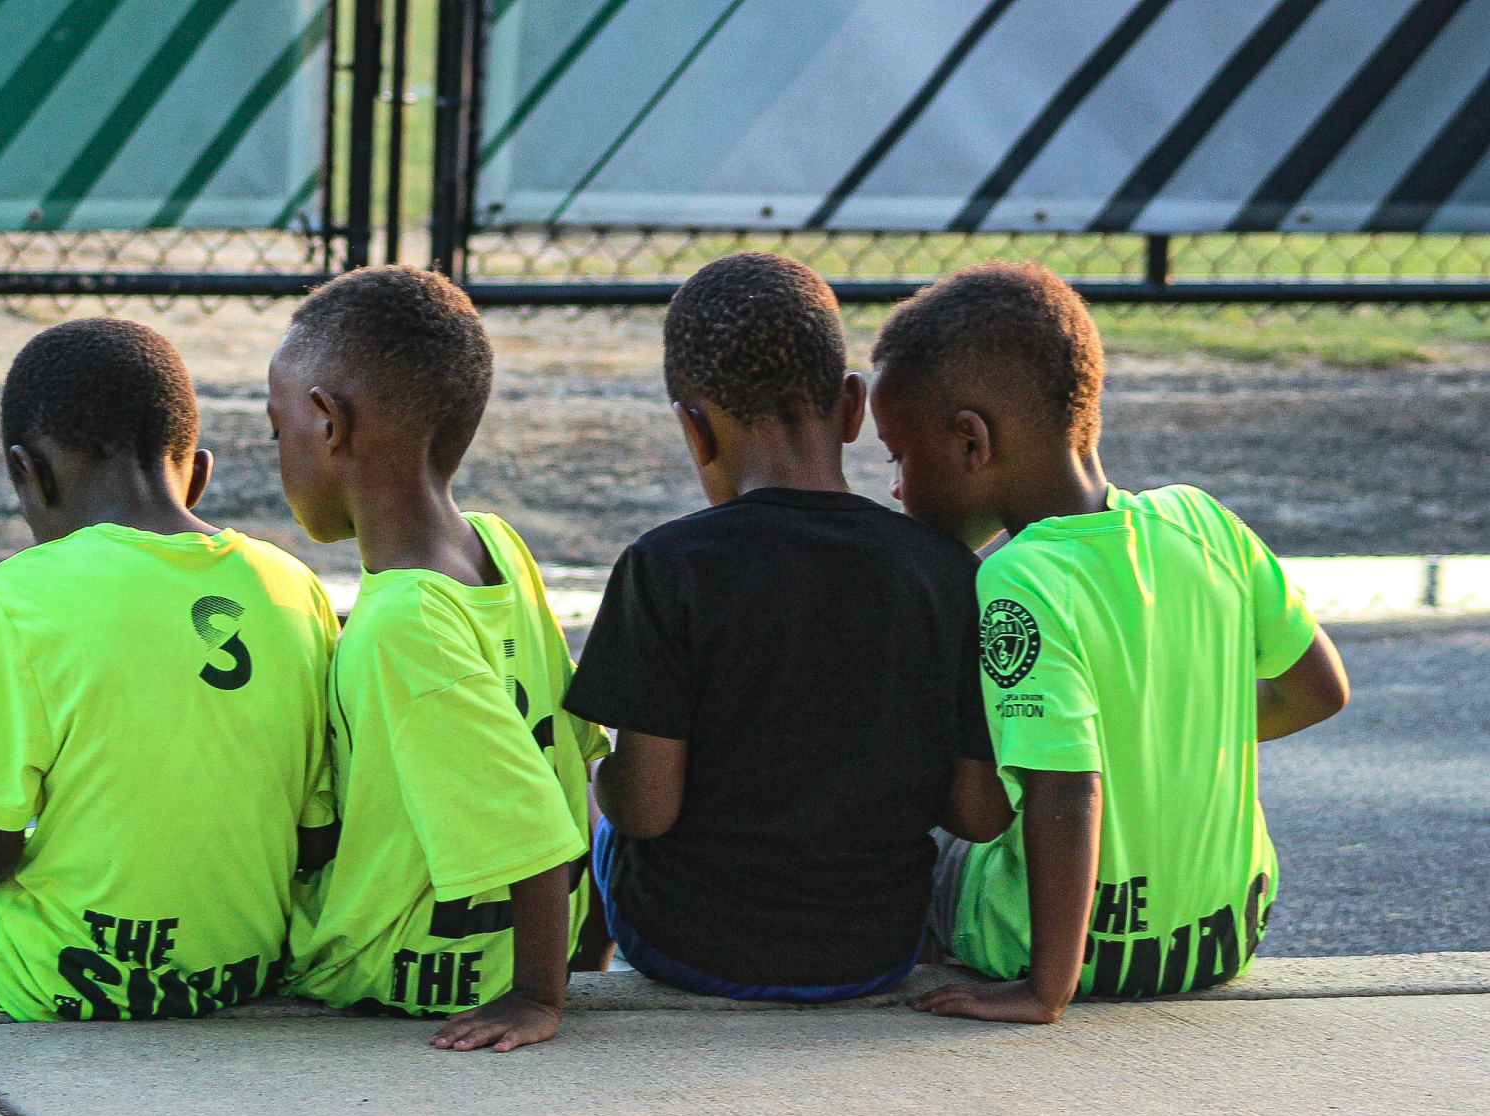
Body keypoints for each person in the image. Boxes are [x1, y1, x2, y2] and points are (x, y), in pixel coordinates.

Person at [0, 317, 338, 1022]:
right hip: (237, 965)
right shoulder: (292, 584)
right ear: (197, 475)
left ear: (29, 472)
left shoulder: (19, 594)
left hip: (70, 974)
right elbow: (315, 836)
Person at [867, 261, 1350, 1025]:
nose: (896, 486)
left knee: (932, 814)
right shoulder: (1205, 523)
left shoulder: (1017, 578)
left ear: (969, 441)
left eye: (898, 455)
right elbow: (1318, 692)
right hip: (1222, 936)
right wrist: (1161, 742)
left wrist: (1045, 990)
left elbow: (1066, 789)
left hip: (1073, 956)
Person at [562, 252, 1011, 1002]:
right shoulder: (946, 573)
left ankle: (583, 979)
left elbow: (647, 807)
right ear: (853, 407)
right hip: (877, 952)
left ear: (694, 430)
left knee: (587, 798)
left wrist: (599, 777)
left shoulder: (665, 567)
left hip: (688, 946)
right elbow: (976, 812)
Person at [271, 266, 605, 1053]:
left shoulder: (405, 622)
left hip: (392, 970)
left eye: (276, 429)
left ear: (329, 425)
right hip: (498, 957)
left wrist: (537, 996)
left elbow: (530, 818)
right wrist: (583, 953)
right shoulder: (498, 546)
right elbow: (572, 765)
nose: (277, 451)